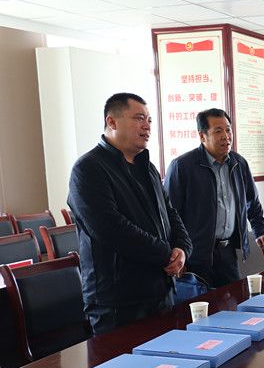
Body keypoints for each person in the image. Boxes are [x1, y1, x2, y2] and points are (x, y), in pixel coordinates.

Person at [68, 92, 192, 335]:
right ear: (112, 122)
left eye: (149, 120)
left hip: (161, 292)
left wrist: (182, 248)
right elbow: (111, 229)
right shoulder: (88, 168)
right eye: (139, 118)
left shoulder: (148, 167)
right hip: (118, 302)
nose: (147, 126)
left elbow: (170, 213)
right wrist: (166, 254)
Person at [164, 108, 264, 288]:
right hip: (195, 256)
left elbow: (252, 204)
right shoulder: (182, 166)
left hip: (227, 253)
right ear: (202, 136)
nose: (226, 136)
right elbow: (169, 216)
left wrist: (260, 231)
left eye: (228, 130)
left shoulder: (238, 163)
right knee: (199, 304)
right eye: (218, 131)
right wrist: (177, 253)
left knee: (234, 301)